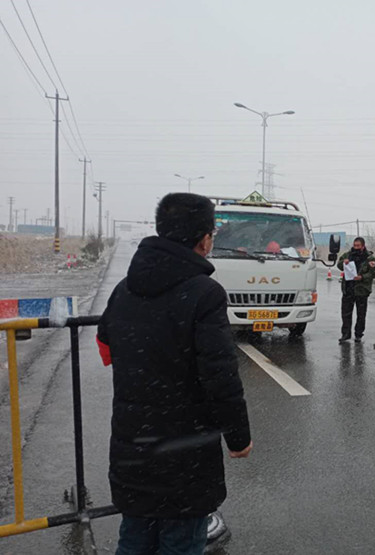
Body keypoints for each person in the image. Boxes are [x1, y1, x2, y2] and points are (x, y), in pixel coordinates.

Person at [96, 193, 253, 554]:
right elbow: (220, 377)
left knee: (134, 539)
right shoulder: (205, 293)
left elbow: (105, 343)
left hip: (133, 444)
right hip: (185, 453)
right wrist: (238, 438)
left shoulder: (124, 288)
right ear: (205, 239)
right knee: (181, 542)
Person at [337, 237, 375, 343]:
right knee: (346, 314)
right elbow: (339, 265)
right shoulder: (348, 255)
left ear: (363, 246)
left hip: (362, 290)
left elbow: (373, 273)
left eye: (358, 246)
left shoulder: (369, 258)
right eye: (355, 245)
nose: (356, 247)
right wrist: (343, 263)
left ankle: (358, 334)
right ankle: (345, 334)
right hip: (348, 289)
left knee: (361, 314)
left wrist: (362, 277)